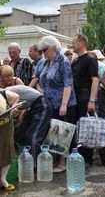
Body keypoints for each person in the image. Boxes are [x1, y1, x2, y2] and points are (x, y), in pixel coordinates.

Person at [38, 36, 76, 172]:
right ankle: (55, 161)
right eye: (42, 50)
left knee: (62, 132)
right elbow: (41, 79)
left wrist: (64, 105)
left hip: (63, 104)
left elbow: (68, 84)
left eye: (45, 49)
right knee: (53, 132)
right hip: (50, 104)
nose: (43, 53)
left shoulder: (63, 61)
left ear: (53, 48)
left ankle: (62, 163)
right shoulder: (46, 62)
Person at [71, 34, 99, 165]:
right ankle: (79, 156)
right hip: (75, 98)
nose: (72, 44)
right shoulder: (75, 60)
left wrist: (92, 100)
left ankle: (87, 159)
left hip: (85, 96)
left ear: (82, 42)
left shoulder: (90, 59)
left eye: (74, 42)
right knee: (78, 127)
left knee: (87, 128)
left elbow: (95, 79)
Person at [6, 85, 51, 164]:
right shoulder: (4, 93)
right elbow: (27, 100)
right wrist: (22, 115)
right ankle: (24, 159)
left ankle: (35, 164)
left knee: (33, 136)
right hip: (32, 107)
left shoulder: (6, 93)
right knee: (19, 134)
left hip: (41, 104)